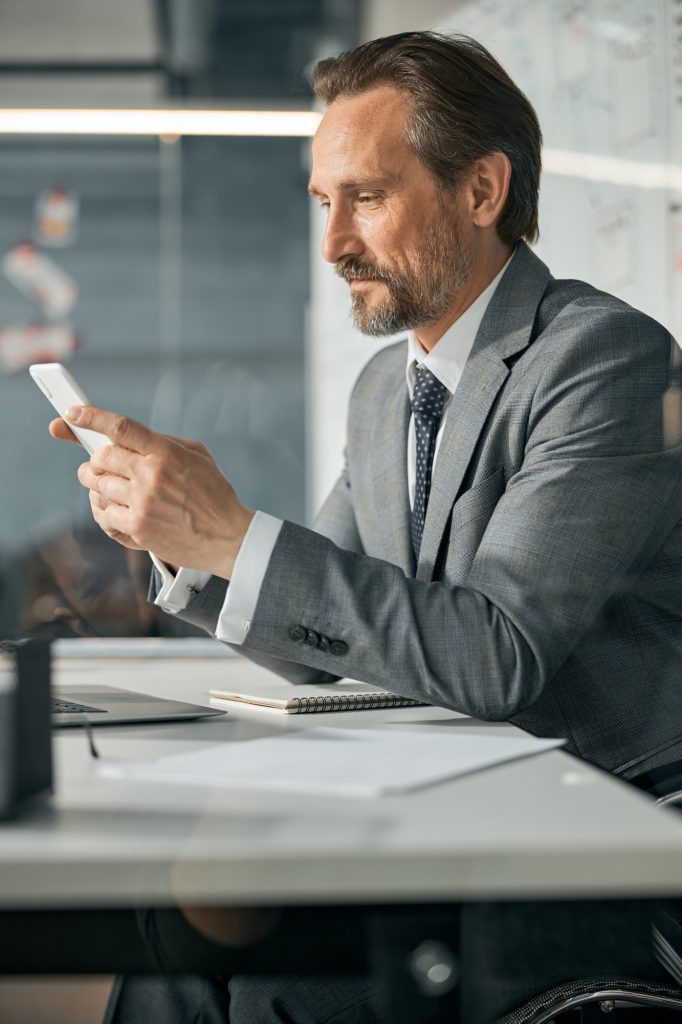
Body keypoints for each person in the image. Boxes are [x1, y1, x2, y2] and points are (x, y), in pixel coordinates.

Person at [50, 30, 682, 1024]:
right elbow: (329, 633)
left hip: (604, 834)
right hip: (461, 802)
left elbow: (496, 651)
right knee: (172, 945)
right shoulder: (389, 388)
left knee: (273, 979)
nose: (333, 240)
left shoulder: (601, 359)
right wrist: (183, 536)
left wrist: (236, 533)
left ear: (480, 192)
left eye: (367, 197)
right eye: (322, 202)